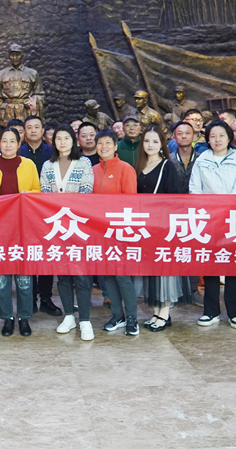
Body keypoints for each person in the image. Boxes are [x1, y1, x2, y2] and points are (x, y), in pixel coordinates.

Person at [0, 127, 41, 337]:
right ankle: (7, 318)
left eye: (12, 141)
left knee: (24, 277)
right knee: (0, 278)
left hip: (23, 227)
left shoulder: (28, 164)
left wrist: (26, 196)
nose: (8, 145)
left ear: (18, 143)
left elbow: (37, 191)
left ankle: (24, 318)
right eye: (4, 141)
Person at [189, 120, 236, 329]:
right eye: (213, 136)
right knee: (210, 267)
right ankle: (211, 311)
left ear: (229, 138)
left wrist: (224, 211)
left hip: (233, 219)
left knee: (233, 267)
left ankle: (235, 313)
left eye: (221, 135)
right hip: (208, 220)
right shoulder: (201, 160)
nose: (217, 140)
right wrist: (207, 212)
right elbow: (195, 189)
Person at [40, 125, 95, 340]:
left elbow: (86, 190)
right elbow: (45, 193)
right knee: (62, 275)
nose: (62, 142)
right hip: (57, 227)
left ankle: (85, 320)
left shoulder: (84, 162)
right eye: (58, 138)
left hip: (79, 226)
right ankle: (69, 316)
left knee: (81, 275)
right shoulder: (47, 165)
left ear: (74, 141)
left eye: (66, 138)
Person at [135, 126, 188, 332]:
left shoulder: (168, 166)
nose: (150, 145)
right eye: (147, 141)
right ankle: (157, 311)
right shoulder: (139, 165)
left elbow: (173, 198)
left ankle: (164, 313)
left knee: (164, 271)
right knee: (152, 271)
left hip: (162, 225)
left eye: (155, 141)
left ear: (162, 145)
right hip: (145, 226)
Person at [92, 129, 139, 336]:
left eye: (108, 143)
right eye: (100, 143)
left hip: (119, 231)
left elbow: (131, 202)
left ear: (115, 145)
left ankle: (132, 318)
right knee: (106, 275)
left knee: (122, 276)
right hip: (98, 231)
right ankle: (117, 315)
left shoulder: (125, 169)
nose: (104, 147)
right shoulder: (93, 170)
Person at [18, 115, 57, 316]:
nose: (33, 130)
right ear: (24, 132)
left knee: (46, 255)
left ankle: (46, 298)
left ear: (43, 131)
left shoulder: (53, 152)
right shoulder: (18, 152)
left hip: (48, 212)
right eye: (29, 127)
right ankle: (30, 298)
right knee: (28, 255)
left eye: (37, 127)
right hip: (23, 213)